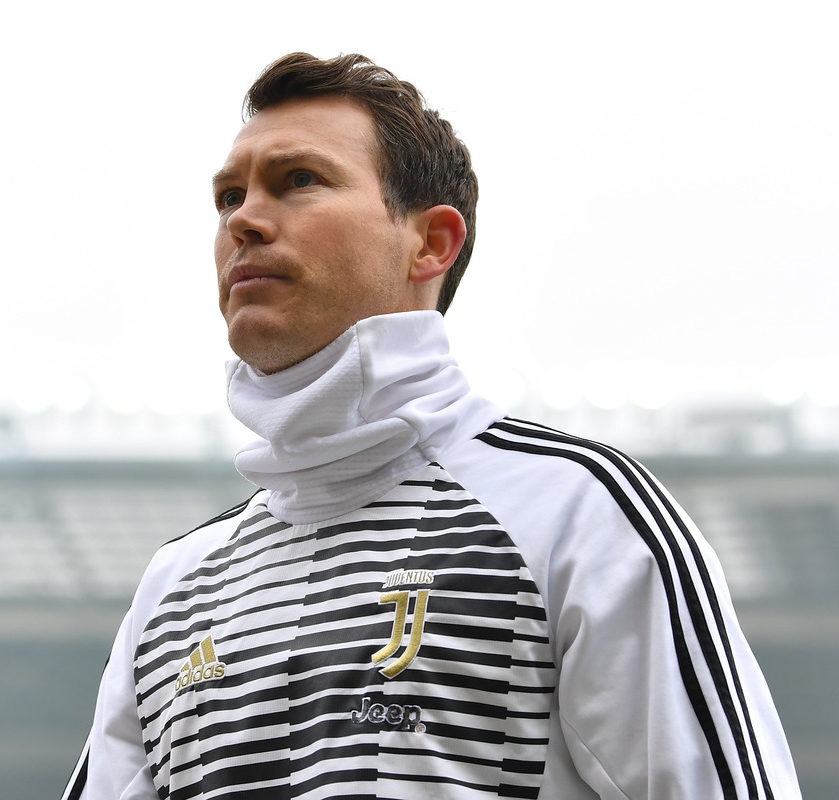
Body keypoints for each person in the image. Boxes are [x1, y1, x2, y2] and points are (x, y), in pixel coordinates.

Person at [62, 52, 801, 800]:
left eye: (300, 180)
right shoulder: (174, 586)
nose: (244, 221)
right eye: (228, 197)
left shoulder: (579, 513)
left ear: (431, 243)